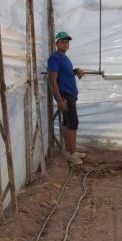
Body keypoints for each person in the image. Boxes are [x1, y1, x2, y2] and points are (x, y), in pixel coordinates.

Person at [48, 31, 85, 165]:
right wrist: (59, 100)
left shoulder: (65, 58)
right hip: (65, 95)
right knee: (73, 123)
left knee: (67, 122)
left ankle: (70, 151)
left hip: (71, 94)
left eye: (67, 42)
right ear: (57, 43)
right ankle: (71, 153)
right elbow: (53, 81)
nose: (65, 44)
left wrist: (76, 71)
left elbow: (66, 74)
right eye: (62, 42)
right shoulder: (54, 58)